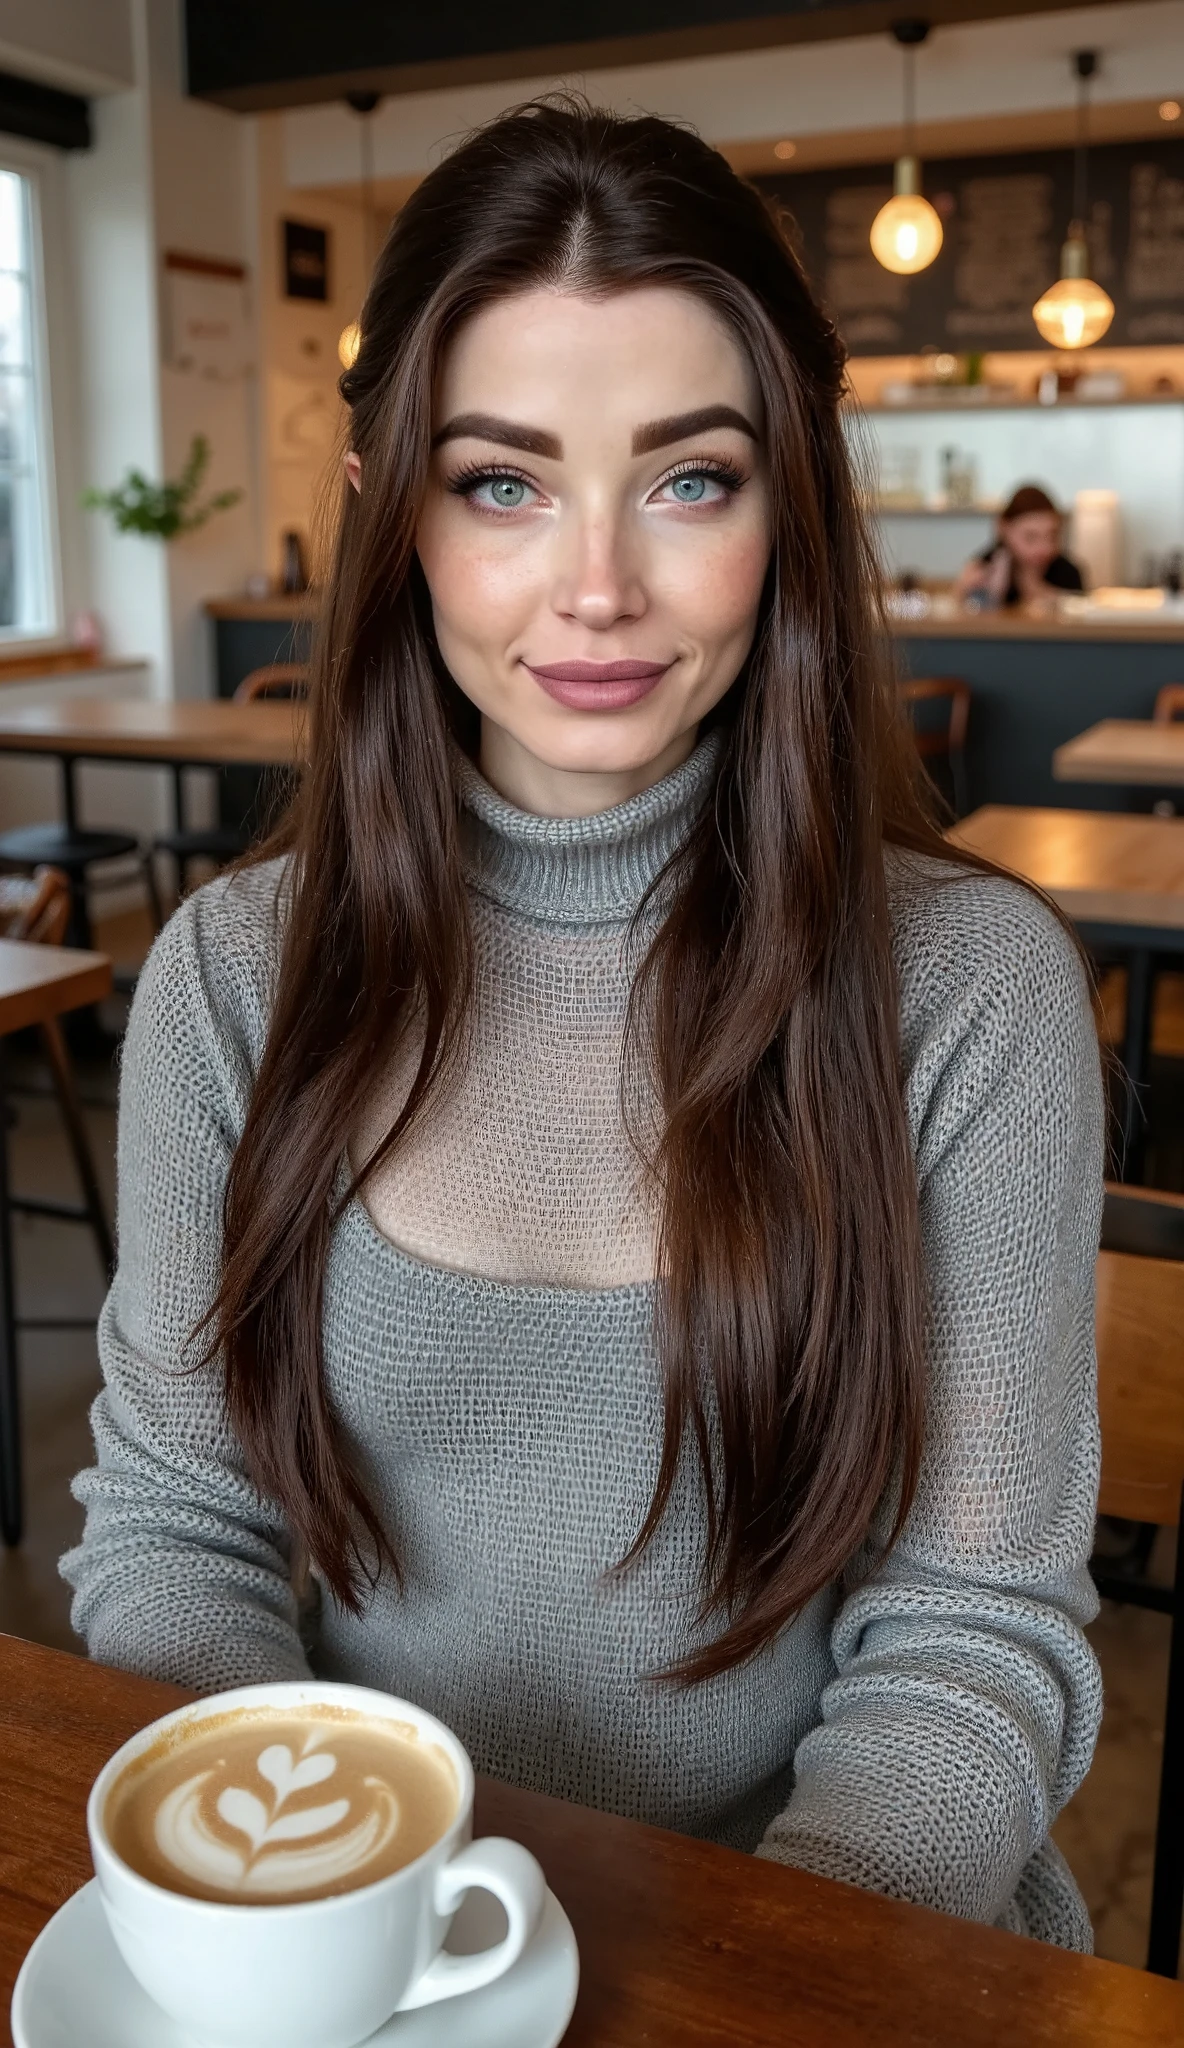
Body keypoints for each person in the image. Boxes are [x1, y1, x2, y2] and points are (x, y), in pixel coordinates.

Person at [63, 102, 1103, 1951]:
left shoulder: (967, 992)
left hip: (825, 1955)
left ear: (787, 504)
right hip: (373, 1926)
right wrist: (319, 1932)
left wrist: (729, 1987)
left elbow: (966, 1634)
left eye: (689, 477)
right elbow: (176, 1531)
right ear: (396, 509)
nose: (599, 581)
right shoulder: (234, 975)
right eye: (501, 481)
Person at [954, 484, 1085, 609]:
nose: (1043, 548)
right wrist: (962, 592)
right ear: (1003, 528)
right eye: (1030, 537)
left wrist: (1040, 592)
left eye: (1052, 537)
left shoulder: (1068, 572)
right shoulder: (987, 567)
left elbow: (1081, 613)